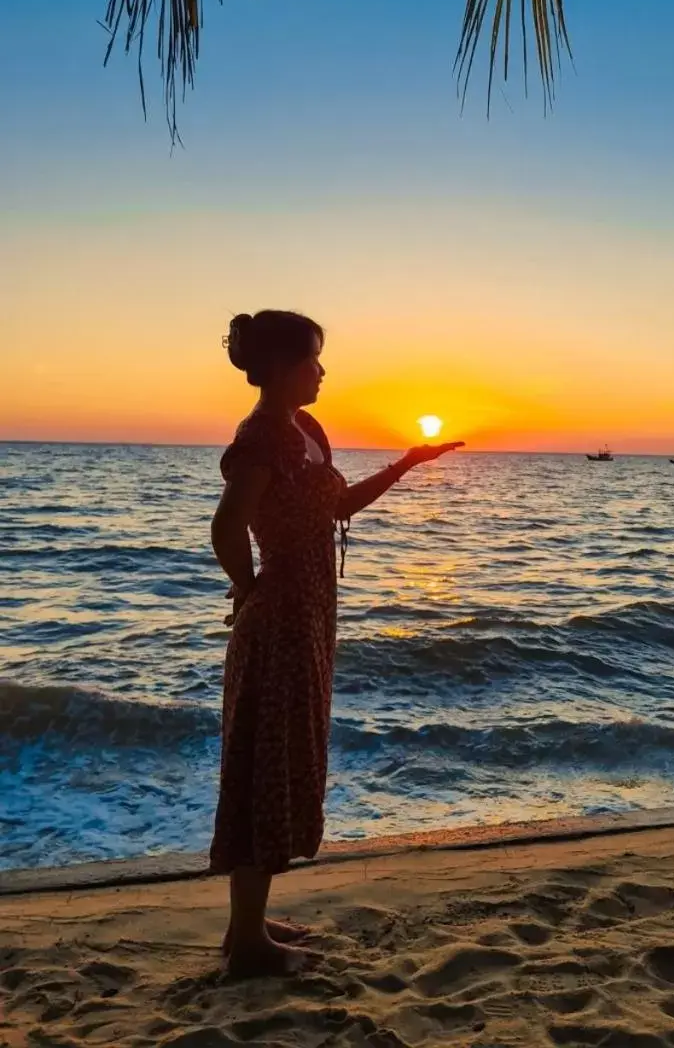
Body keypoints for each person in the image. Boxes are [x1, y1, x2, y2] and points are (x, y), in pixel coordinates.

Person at [210, 309, 462, 976]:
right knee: (266, 762)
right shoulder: (263, 437)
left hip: (312, 618)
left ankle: (249, 924)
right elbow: (228, 526)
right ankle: (248, 946)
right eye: (313, 360)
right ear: (279, 368)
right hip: (282, 621)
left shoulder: (307, 429)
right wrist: (247, 589)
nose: (323, 371)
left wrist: (409, 463)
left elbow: (338, 507)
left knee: (287, 760)